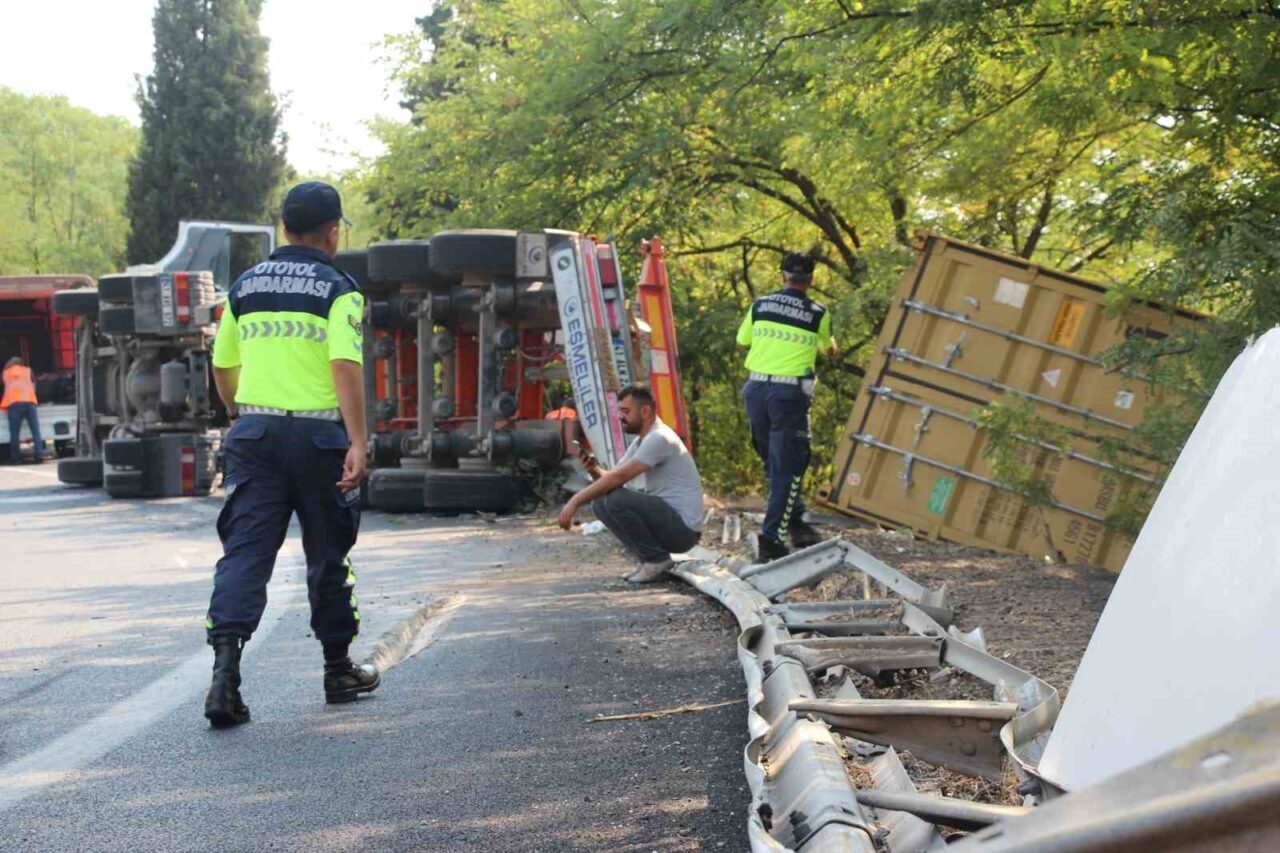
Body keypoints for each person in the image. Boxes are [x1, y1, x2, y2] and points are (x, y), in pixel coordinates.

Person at [203, 181, 377, 728]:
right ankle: (337, 669)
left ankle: (225, 679)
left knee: (246, 554)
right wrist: (358, 440)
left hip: (254, 435)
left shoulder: (245, 286)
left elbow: (222, 364)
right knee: (328, 553)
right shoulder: (339, 288)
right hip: (320, 438)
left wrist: (240, 413)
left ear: (282, 227)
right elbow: (344, 367)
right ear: (333, 232)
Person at [736, 251, 837, 562]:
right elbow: (828, 348)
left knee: (775, 463)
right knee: (788, 465)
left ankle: (797, 524)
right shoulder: (818, 313)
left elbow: (743, 341)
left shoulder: (760, 305)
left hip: (755, 391)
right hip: (789, 394)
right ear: (811, 280)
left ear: (782, 275)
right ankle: (772, 539)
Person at [558, 385, 704, 583]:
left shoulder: (659, 438)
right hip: (669, 524)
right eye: (619, 411)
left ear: (645, 411)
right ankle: (648, 560)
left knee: (616, 499)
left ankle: (657, 560)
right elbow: (611, 478)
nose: (620, 416)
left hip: (683, 532)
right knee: (601, 502)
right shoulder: (641, 442)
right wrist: (593, 469)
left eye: (625, 411)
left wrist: (574, 501)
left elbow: (618, 479)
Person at [2, 356, 45, 464]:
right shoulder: (28, 371)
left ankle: (16, 458)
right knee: (35, 430)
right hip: (30, 402)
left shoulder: (6, 373)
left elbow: (4, 386)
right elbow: (34, 385)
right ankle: (39, 454)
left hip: (15, 404)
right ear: (21, 363)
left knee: (14, 433)